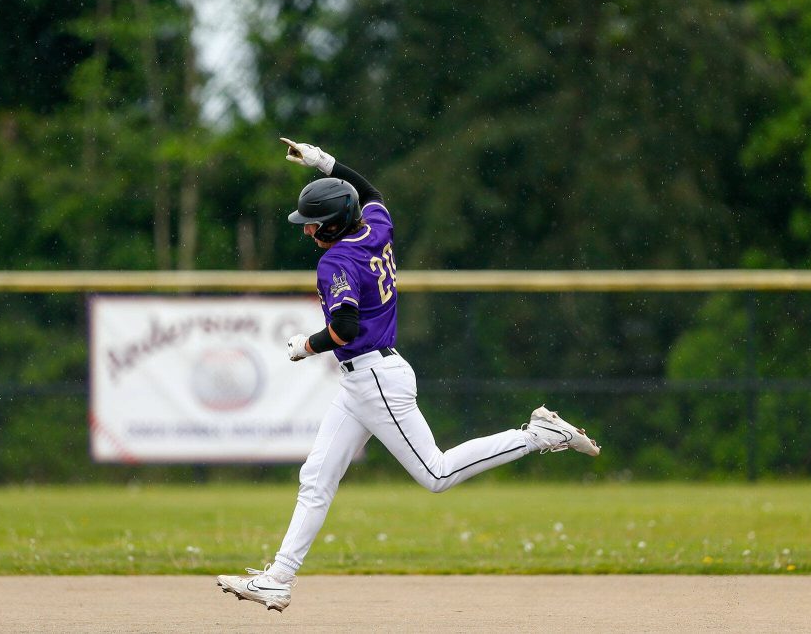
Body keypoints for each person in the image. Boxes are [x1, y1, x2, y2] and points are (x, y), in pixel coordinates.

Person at [217, 138, 600, 612]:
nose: (306, 231)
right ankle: (279, 577)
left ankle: (537, 436)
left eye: (312, 223)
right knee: (316, 477)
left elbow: (344, 328)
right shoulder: (374, 226)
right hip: (365, 378)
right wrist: (321, 162)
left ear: (333, 224)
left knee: (435, 474)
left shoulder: (335, 260)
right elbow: (370, 190)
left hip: (374, 377)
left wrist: (303, 347)